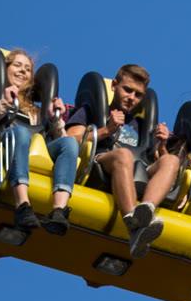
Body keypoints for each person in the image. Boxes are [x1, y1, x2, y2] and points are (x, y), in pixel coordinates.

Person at [0, 50, 82, 233]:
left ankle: (59, 210)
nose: (23, 71)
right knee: (20, 133)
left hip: (31, 153)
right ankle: (22, 205)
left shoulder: (35, 111)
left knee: (70, 143)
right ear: (4, 70)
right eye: (17, 65)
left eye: (27, 69)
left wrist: (55, 119)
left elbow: (60, 140)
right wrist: (4, 103)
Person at [69, 62, 177, 254]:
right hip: (101, 162)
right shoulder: (92, 109)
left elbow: (158, 161)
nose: (131, 98)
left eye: (138, 94)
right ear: (114, 86)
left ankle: (145, 210)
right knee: (124, 154)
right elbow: (71, 138)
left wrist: (161, 146)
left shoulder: (141, 125)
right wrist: (107, 130)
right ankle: (132, 223)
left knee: (172, 160)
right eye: (127, 90)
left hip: (138, 168)